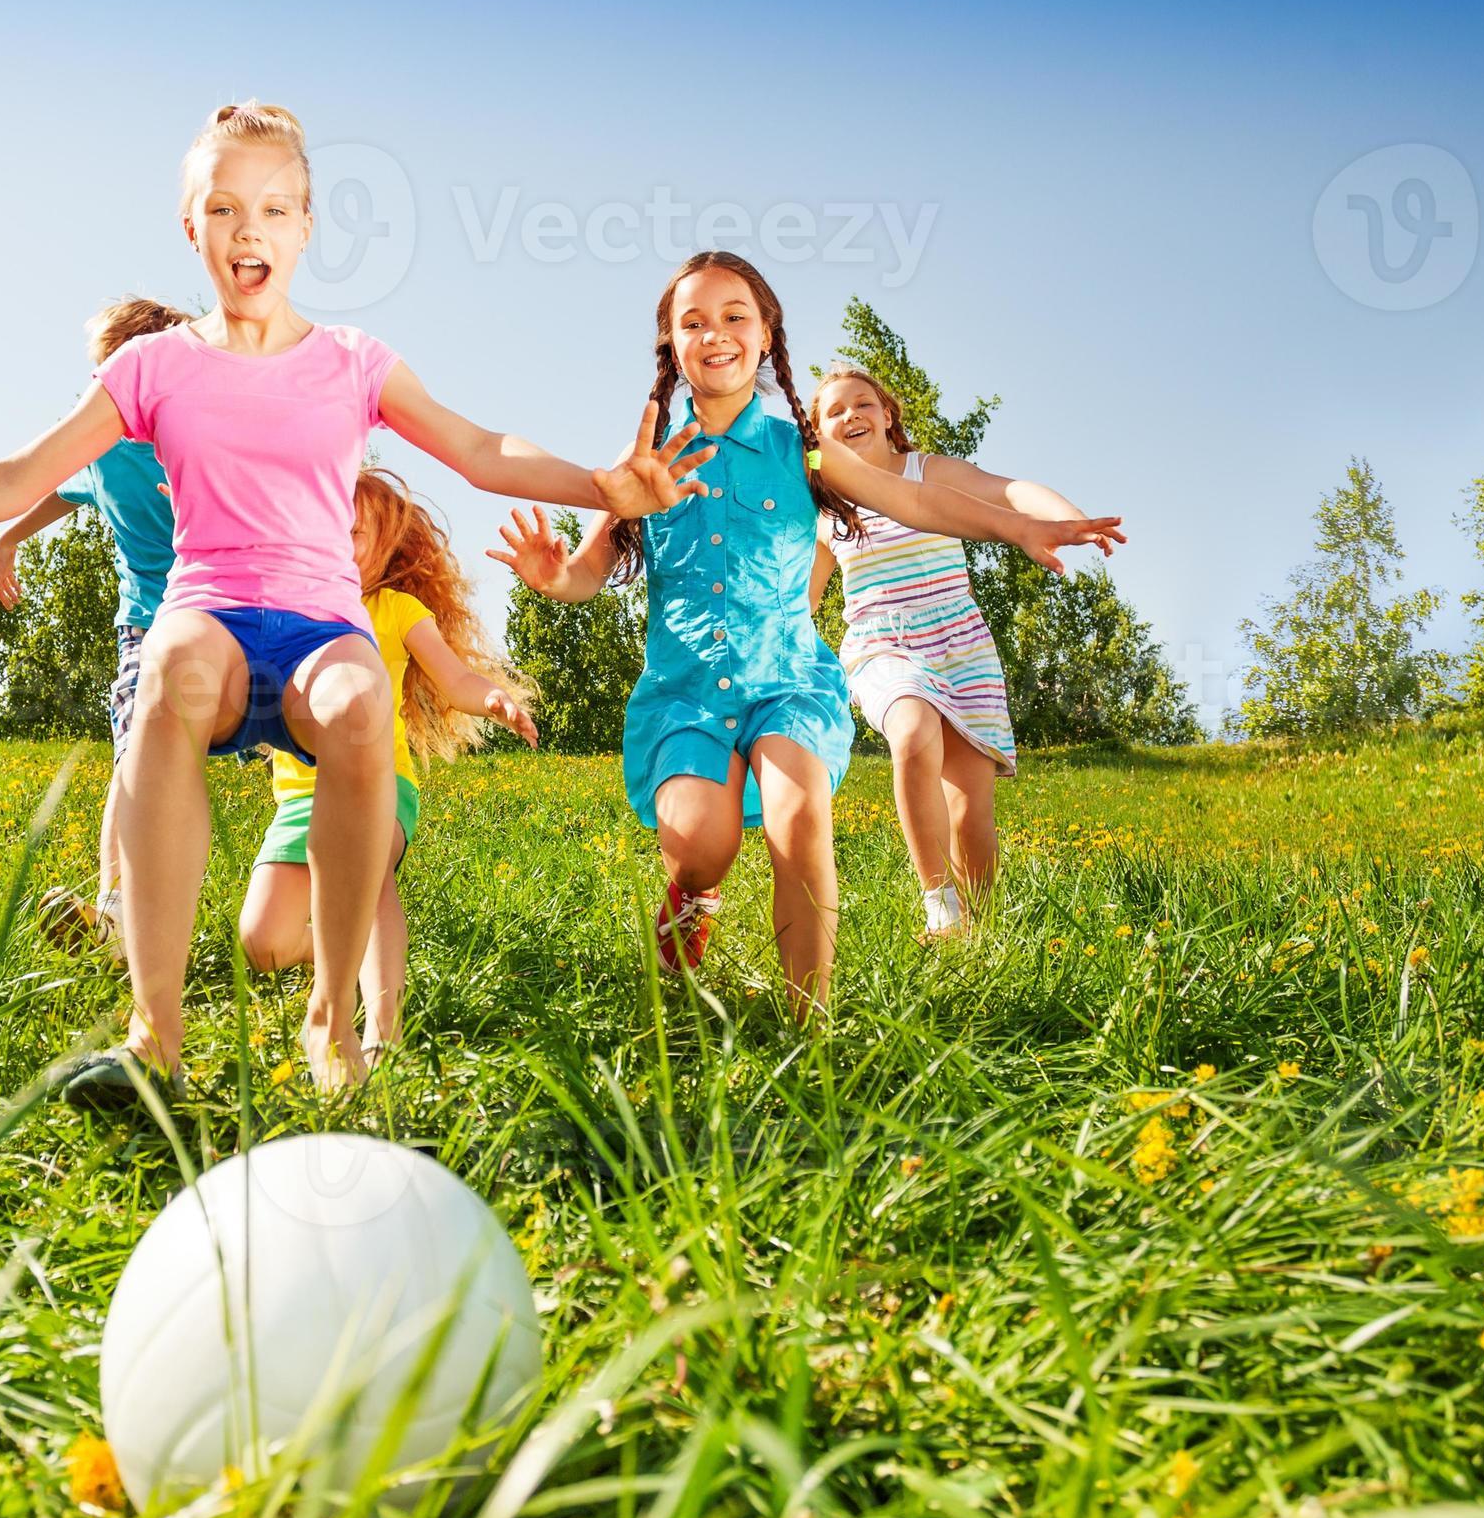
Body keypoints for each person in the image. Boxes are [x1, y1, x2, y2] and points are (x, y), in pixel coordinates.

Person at [0, 102, 711, 1101]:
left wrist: (601, 486)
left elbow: (484, 451)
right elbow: (16, 475)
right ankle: (155, 1037)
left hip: (319, 624)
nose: (247, 229)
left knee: (359, 705)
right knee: (170, 675)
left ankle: (333, 1019)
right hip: (207, 613)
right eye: (223, 208)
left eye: (273, 208)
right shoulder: (155, 366)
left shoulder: (353, 362)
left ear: (306, 226)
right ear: (192, 228)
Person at [489, 251, 1120, 1008]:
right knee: (701, 846)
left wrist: (1017, 528)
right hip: (684, 694)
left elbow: (913, 501)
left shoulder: (807, 452)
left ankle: (807, 1026)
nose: (714, 334)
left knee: (798, 819)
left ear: (765, 337)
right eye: (693, 322)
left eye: (734, 317)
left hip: (786, 683)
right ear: (670, 343)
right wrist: (549, 575)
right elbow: (588, 573)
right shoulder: (647, 460)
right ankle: (691, 903)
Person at [239, 469, 536, 1058]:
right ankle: (331, 946)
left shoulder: (396, 609)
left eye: (353, 534)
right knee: (263, 943)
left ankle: (382, 1033)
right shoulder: (289, 608)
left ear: (385, 549)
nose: (336, 544)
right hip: (300, 800)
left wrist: (493, 698)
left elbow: (455, 680)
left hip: (378, 785)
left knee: (367, 873)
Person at [810, 369, 1109, 937]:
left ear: (888, 415)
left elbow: (1008, 491)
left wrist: (1065, 518)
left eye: (863, 404)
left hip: (960, 645)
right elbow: (803, 599)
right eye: (835, 411)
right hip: (883, 644)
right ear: (818, 433)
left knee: (971, 813)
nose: (851, 416)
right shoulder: (828, 511)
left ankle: (979, 937)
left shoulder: (929, 472)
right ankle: (939, 904)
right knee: (912, 728)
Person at [0, 295, 190, 952]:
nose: (99, 388)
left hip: (222, 618)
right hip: (145, 630)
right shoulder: (100, 447)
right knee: (133, 765)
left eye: (111, 371)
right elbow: (55, 489)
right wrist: (7, 540)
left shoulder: (197, 435)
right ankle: (114, 921)